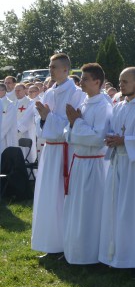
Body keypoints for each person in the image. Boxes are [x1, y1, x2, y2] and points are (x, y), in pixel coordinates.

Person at [99, 67, 135, 277]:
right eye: (120, 81)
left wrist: (124, 141)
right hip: (118, 164)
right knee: (116, 210)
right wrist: (112, 138)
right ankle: (117, 255)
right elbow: (114, 131)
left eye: (125, 81)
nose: (121, 85)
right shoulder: (119, 106)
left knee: (133, 211)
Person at [31, 53, 86, 256]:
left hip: (65, 150)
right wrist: (44, 120)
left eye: (54, 67)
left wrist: (48, 118)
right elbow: (40, 124)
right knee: (48, 197)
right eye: (50, 66)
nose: (50, 70)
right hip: (50, 150)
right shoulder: (48, 93)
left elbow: (71, 125)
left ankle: (65, 244)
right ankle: (50, 243)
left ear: (66, 70)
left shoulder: (76, 93)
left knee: (63, 198)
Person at [61, 63, 112, 264]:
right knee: (76, 209)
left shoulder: (104, 107)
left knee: (91, 211)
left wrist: (76, 123)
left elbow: (97, 139)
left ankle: (91, 255)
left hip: (94, 164)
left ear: (97, 82)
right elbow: (67, 134)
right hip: (79, 162)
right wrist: (74, 125)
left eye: (84, 79)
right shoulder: (83, 104)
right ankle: (75, 251)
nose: (80, 82)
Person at [15, 83, 37, 163]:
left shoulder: (30, 102)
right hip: (13, 133)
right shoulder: (13, 102)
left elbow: (28, 118)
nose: (17, 92)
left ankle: (29, 174)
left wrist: (18, 129)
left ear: (25, 90)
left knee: (27, 154)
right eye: (16, 90)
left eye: (19, 90)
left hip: (26, 133)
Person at [0, 83, 18, 150]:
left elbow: (7, 122)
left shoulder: (9, 104)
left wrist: (0, 135)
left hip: (6, 136)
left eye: (0, 90)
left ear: (4, 91)